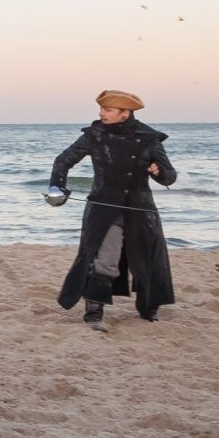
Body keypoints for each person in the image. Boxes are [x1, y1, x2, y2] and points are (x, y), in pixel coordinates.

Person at [48, 89, 178, 330]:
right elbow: (62, 161)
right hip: (104, 207)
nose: (101, 113)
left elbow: (170, 176)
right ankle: (94, 315)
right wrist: (58, 189)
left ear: (124, 113)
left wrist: (160, 173)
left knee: (147, 262)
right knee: (104, 259)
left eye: (107, 110)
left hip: (141, 209)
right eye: (101, 109)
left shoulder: (149, 138)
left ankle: (149, 311)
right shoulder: (94, 135)